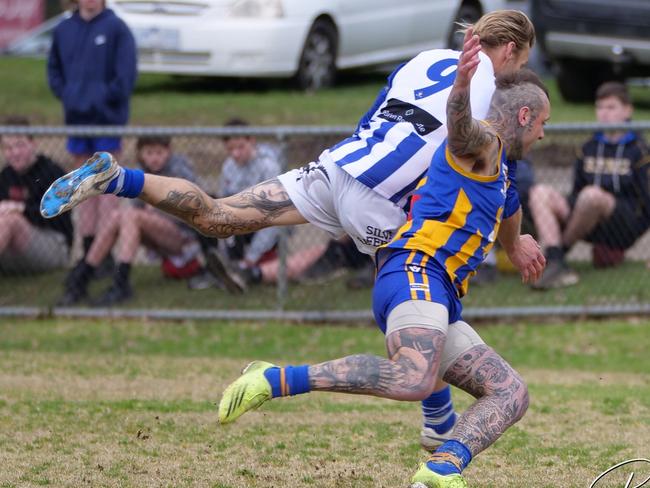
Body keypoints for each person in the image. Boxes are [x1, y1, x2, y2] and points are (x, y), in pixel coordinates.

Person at [40, 10, 537, 451]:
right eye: (521, 62)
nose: (520, 75)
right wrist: (514, 243)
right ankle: (436, 423)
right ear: (511, 49)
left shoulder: (425, 58)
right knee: (418, 298)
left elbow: (376, 113)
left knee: (216, 216)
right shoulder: (488, 86)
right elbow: (491, 172)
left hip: (339, 166)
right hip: (378, 198)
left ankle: (118, 177)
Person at [217, 33, 550, 488]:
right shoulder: (481, 142)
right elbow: (461, 129)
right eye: (543, 122)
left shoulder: (501, 169)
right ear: (525, 115)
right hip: (416, 271)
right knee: (413, 378)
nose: (545, 134)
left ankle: (442, 468)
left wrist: (517, 244)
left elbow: (509, 209)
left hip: (437, 289)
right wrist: (461, 88)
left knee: (510, 393)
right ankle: (274, 379)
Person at [529, 81, 650, 289]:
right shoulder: (589, 146)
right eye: (600, 107)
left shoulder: (639, 150)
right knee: (540, 192)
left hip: (624, 222)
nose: (604, 113)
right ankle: (556, 260)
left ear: (627, 110)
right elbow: (577, 191)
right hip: (584, 215)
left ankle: (557, 255)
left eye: (611, 107)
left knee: (592, 195)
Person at [47, 0, 137, 276]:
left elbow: (125, 76)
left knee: (106, 185)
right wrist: (71, 96)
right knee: (81, 186)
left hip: (106, 122)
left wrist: (101, 100)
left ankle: (104, 251)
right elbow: (54, 71)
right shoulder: (63, 29)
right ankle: (87, 251)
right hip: (77, 120)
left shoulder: (116, 28)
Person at [57, 136, 200, 306]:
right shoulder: (141, 172)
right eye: (149, 153)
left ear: (168, 152)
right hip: (156, 233)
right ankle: (83, 279)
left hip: (183, 239)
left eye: (159, 152)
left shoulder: (178, 169)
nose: (154, 157)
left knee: (130, 215)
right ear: (141, 154)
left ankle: (120, 283)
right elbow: (138, 210)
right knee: (118, 216)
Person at [0, 116, 73, 275]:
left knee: (11, 220)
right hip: (11, 245)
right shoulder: (5, 175)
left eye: (20, 145)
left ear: (33, 144)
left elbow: (57, 217)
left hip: (53, 247)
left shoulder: (52, 172)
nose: (15, 153)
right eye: (8, 148)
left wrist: (21, 209)